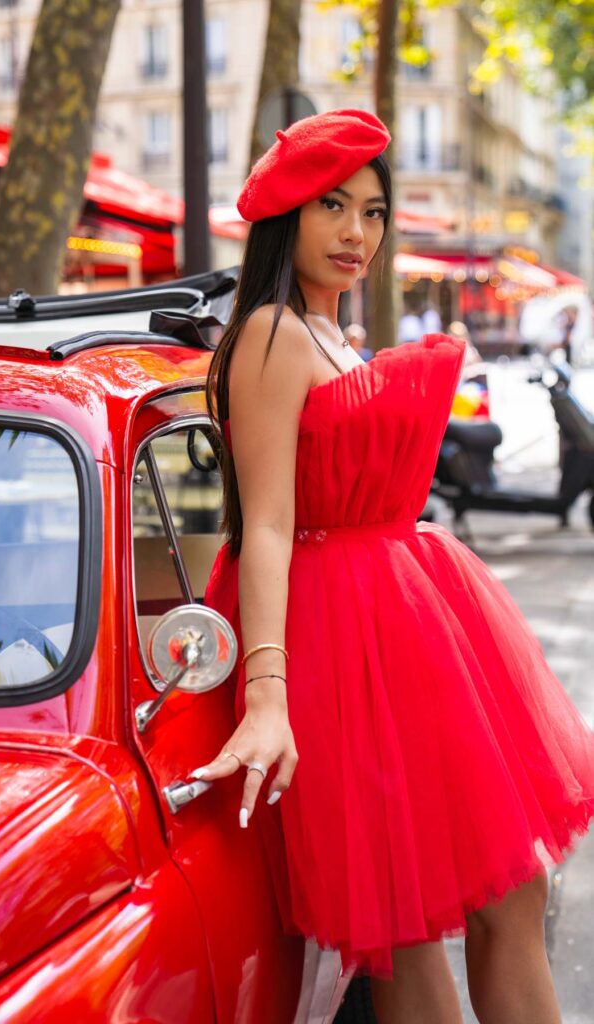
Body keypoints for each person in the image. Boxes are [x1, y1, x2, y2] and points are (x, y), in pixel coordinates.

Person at [192, 108, 593, 1023]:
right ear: (284, 214)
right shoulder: (267, 333)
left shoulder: (333, 336)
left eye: (372, 212)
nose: (356, 233)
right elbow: (264, 525)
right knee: (402, 928)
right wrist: (265, 697)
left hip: (406, 629)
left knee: (508, 894)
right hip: (339, 642)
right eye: (331, 206)